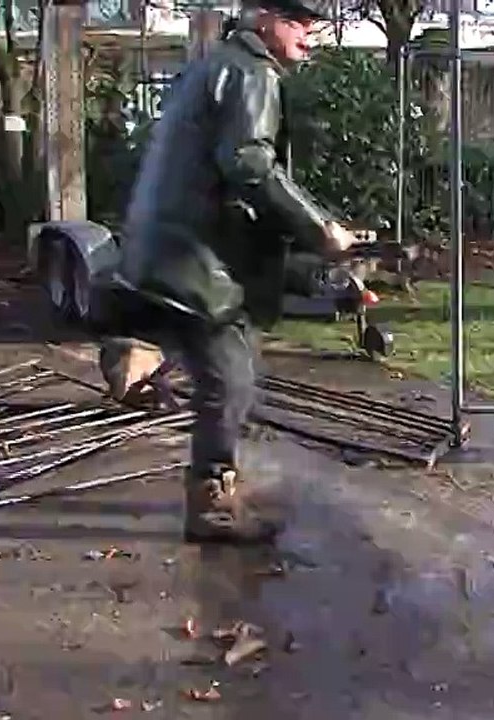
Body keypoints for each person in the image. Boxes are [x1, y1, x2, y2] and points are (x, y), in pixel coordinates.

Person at [98, 0, 358, 544]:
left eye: (314, 25)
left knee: (229, 359)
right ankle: (211, 501)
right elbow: (248, 163)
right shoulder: (252, 73)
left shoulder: (213, 64)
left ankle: (140, 352)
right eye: (299, 23)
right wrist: (320, 228)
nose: (310, 37)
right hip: (191, 258)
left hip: (169, 247)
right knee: (232, 380)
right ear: (262, 16)